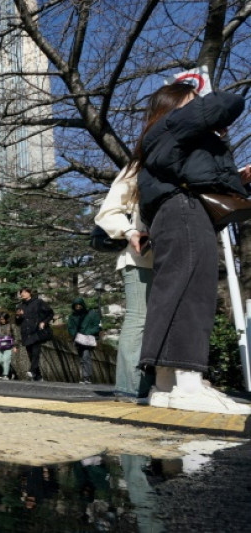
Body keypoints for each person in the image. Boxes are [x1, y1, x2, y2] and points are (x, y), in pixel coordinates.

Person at [135, 83, 251, 414]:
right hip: (185, 211)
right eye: (192, 103)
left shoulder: (161, 136)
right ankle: (189, 384)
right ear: (178, 105)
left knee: (172, 292)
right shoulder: (174, 123)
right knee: (193, 291)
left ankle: (166, 386)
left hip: (170, 213)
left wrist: (237, 182)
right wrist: (201, 104)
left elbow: (192, 171)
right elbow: (229, 101)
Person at [94, 163, 154, 401]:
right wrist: (130, 232)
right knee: (140, 316)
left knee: (156, 320)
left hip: (170, 256)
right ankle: (130, 385)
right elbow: (107, 212)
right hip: (138, 255)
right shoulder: (137, 167)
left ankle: (149, 382)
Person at [15, 288, 53, 382]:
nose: (22, 294)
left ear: (29, 293)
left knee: (36, 352)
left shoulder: (38, 302)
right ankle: (38, 376)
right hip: (26, 333)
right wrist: (18, 316)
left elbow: (50, 313)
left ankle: (32, 371)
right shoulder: (20, 306)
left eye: (24, 292)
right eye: (21, 293)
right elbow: (17, 322)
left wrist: (44, 322)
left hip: (36, 331)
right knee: (30, 354)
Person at [67, 298, 101, 384]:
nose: (78, 307)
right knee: (82, 357)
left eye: (79, 305)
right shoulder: (72, 316)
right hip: (79, 339)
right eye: (76, 306)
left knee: (86, 356)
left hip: (88, 339)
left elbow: (97, 326)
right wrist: (75, 334)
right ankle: (84, 377)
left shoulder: (91, 314)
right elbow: (70, 328)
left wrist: (88, 333)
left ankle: (87, 377)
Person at [0, 312, 17, 380]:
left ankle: (5, 375)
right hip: (0, 345)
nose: (2, 320)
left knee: (6, 360)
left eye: (3, 319)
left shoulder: (10, 326)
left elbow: (15, 336)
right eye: (0, 319)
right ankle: (12, 372)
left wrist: (15, 346)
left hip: (9, 345)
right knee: (0, 360)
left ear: (6, 319)